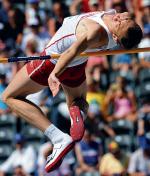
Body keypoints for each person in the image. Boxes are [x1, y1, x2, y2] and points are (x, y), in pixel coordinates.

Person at [2, 9, 143, 172]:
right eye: (124, 18)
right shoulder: (116, 17)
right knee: (79, 103)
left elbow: (71, 51)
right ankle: (78, 111)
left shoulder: (96, 32)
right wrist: (127, 18)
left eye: (122, 21)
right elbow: (125, 16)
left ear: (116, 38)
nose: (120, 17)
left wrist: (54, 75)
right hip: (77, 66)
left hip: (54, 61)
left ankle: (58, 138)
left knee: (9, 97)